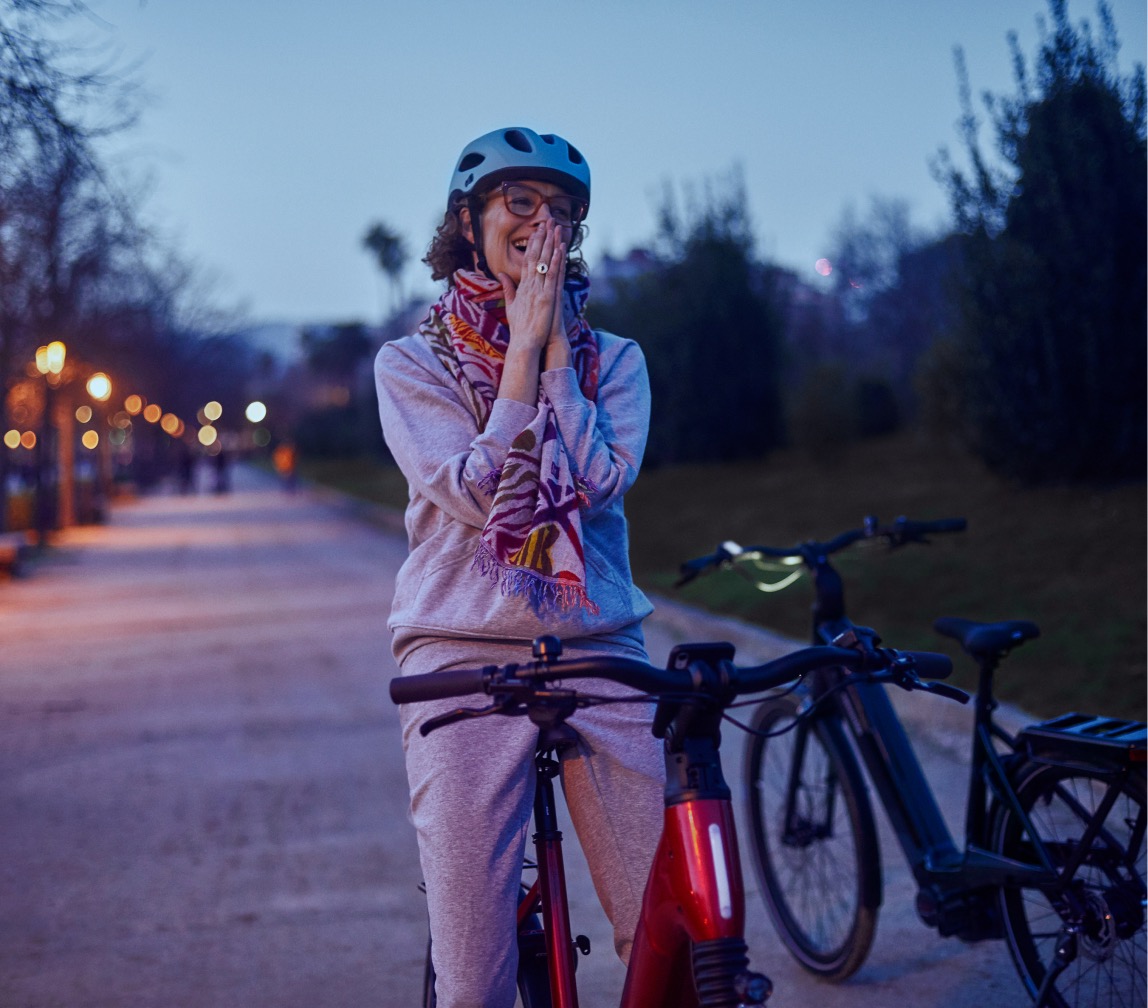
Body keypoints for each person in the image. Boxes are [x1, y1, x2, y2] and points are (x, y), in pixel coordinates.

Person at [375, 127, 664, 1008]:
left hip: (597, 643)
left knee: (667, 928)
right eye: (521, 203)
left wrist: (556, 367)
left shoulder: (615, 361)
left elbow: (603, 480)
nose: (543, 226)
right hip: (459, 654)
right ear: (471, 221)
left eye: (563, 213)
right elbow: (471, 491)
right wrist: (516, 367)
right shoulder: (411, 364)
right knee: (475, 974)